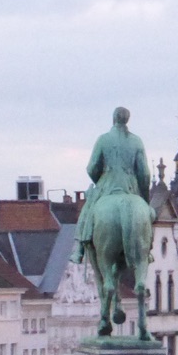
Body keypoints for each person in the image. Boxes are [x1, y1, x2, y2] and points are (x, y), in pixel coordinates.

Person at [69, 106, 151, 264]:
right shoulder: (137, 141)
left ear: (113, 119)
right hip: (130, 188)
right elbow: (145, 174)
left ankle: (79, 249)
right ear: (127, 120)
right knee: (145, 218)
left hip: (107, 184)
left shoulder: (103, 139)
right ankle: (146, 251)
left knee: (88, 211)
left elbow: (91, 167)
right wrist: (145, 197)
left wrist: (100, 180)